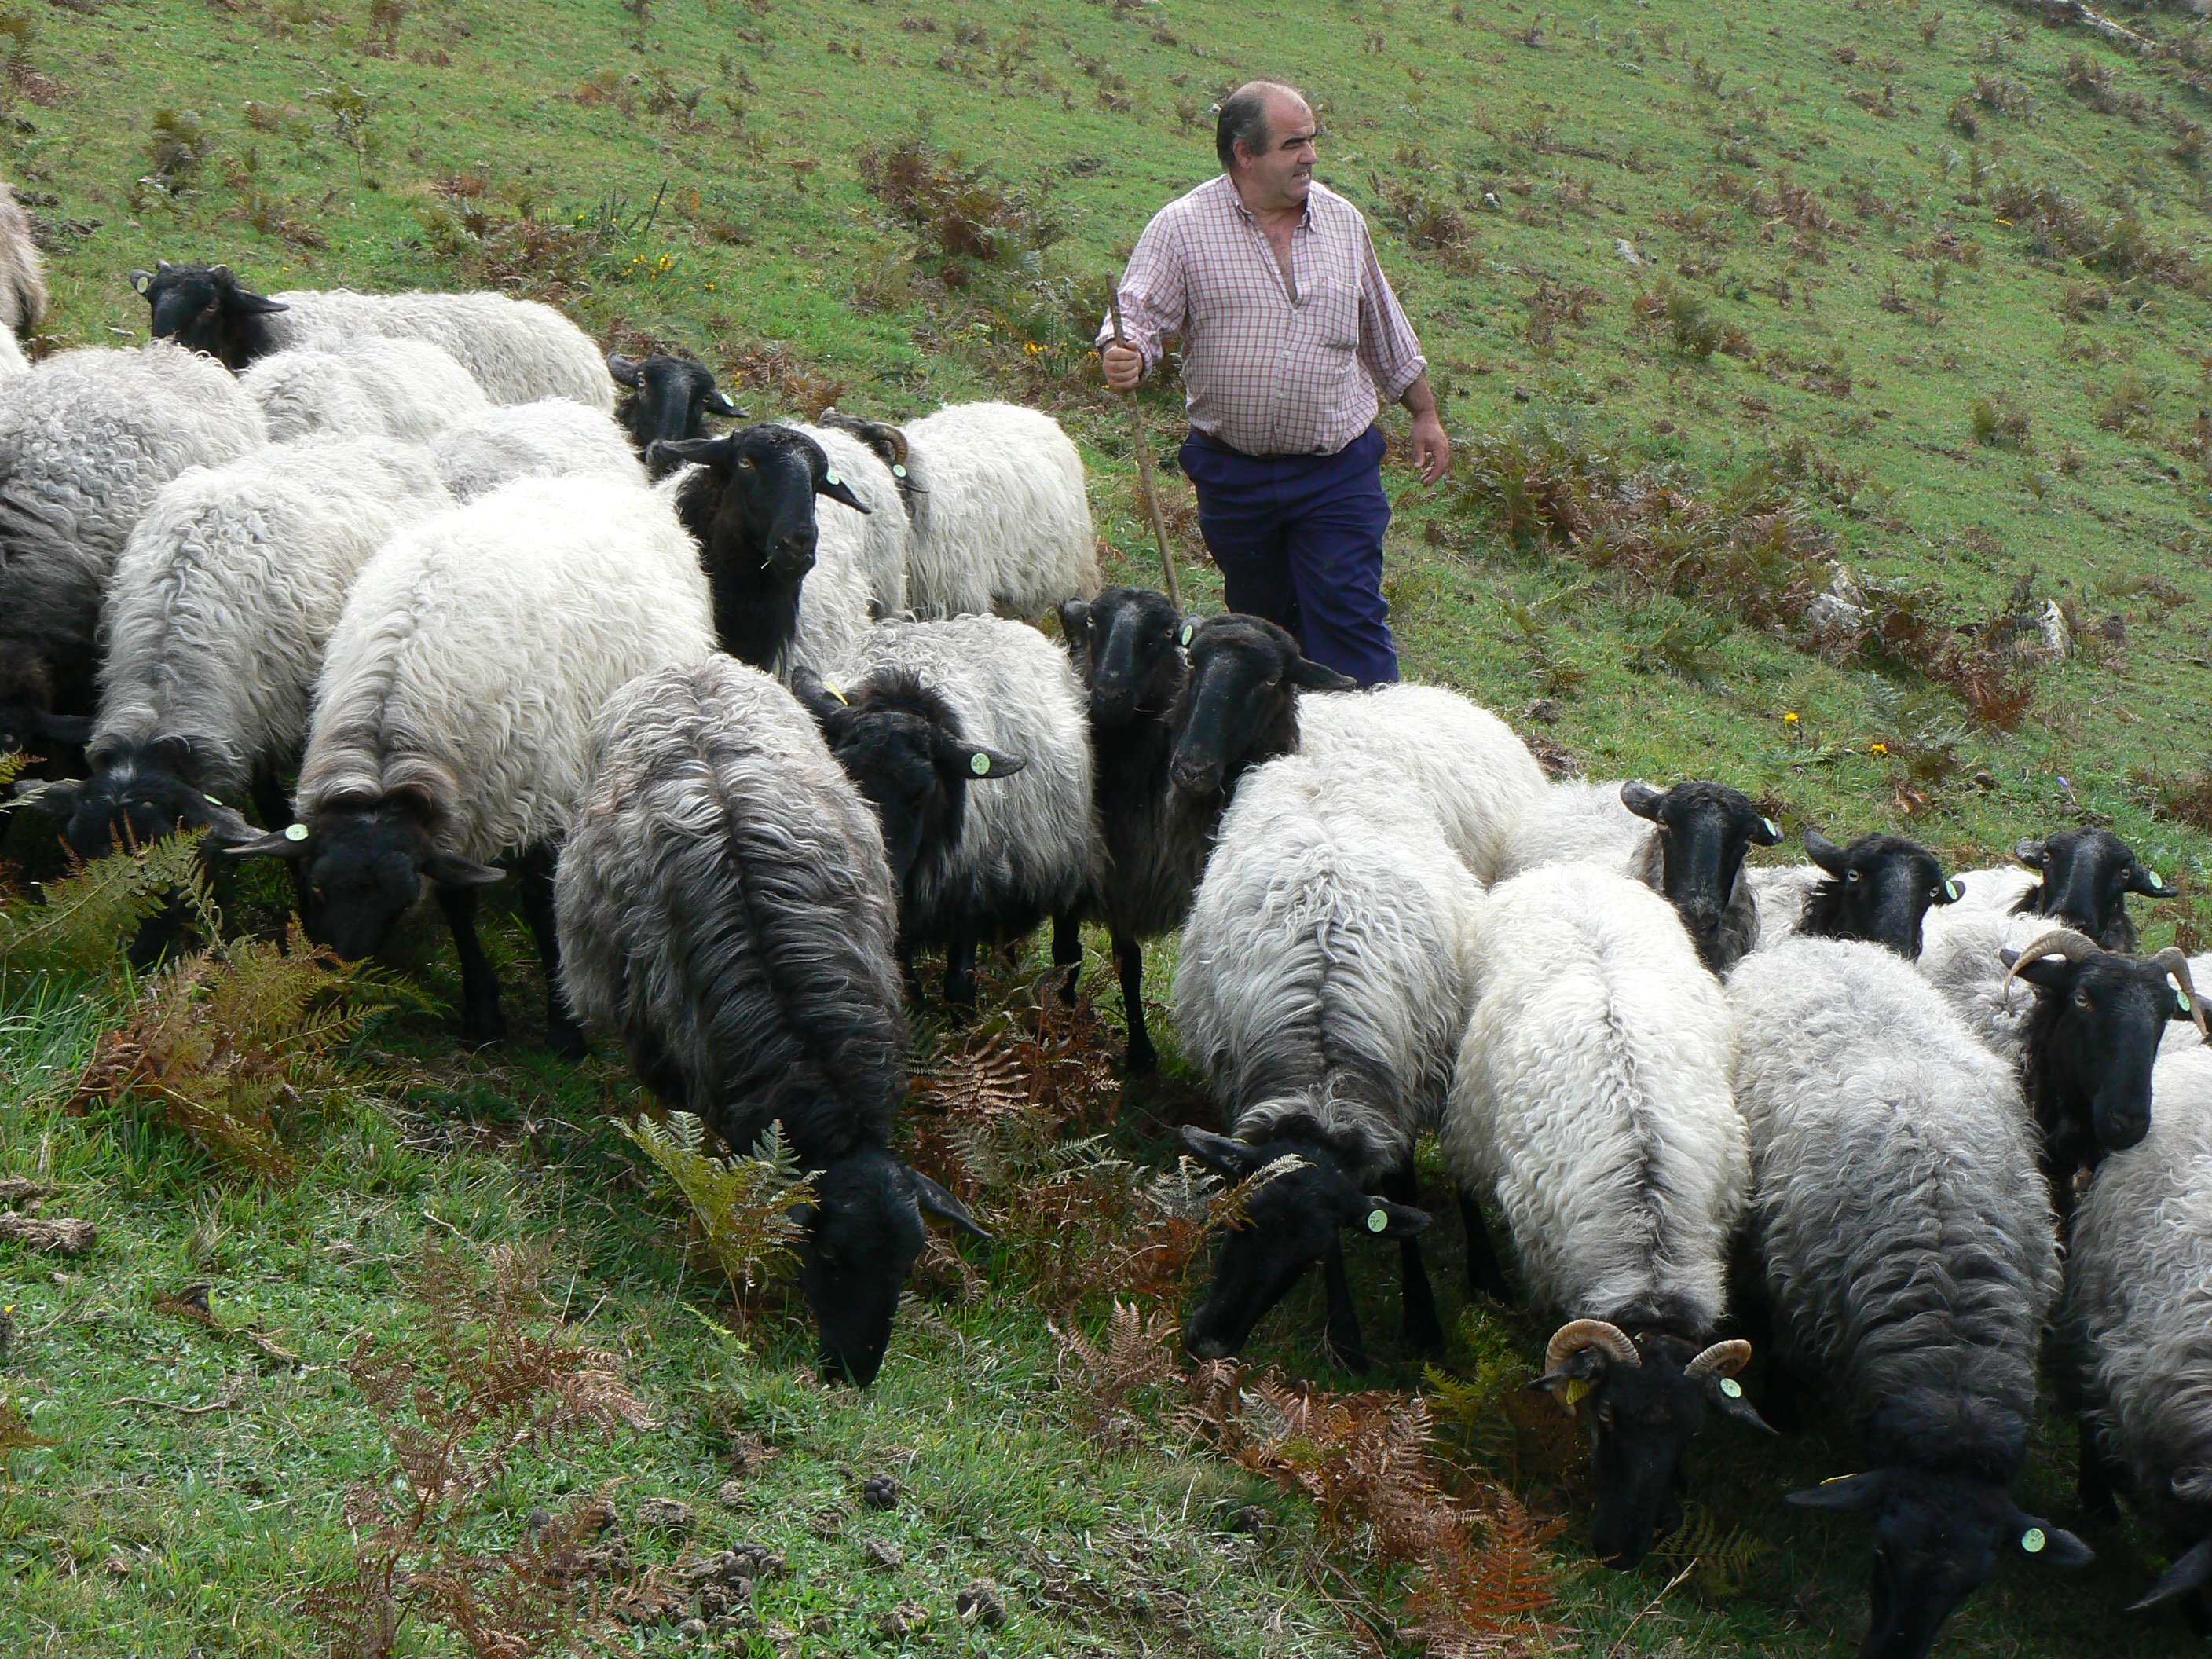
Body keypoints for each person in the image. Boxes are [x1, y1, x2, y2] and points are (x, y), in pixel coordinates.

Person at [1099, 79, 1448, 687]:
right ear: (1245, 154)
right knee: (1264, 628)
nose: (1311, 156)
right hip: (1235, 476)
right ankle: (1284, 755)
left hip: (1336, 470)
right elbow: (1137, 316)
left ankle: (1376, 752)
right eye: (1293, 144)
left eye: (1311, 140)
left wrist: (1424, 413)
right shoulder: (1183, 228)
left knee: (1349, 615)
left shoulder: (1343, 224)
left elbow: (1383, 326)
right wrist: (1124, 354)